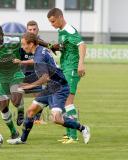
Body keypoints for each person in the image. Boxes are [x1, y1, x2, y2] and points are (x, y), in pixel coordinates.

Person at [6, 32, 90, 145]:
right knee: (31, 111)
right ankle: (22, 140)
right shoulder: (39, 49)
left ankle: (83, 128)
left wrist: (27, 87)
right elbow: (37, 61)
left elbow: (45, 78)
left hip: (59, 87)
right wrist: (22, 61)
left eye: (24, 44)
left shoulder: (39, 55)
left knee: (56, 119)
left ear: (31, 44)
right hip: (51, 87)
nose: (22, 46)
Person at [0, 20, 56, 125]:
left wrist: (52, 47)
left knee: (43, 91)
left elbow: (44, 59)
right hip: (21, 74)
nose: (32, 31)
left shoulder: (40, 45)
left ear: (38, 30)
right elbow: (12, 58)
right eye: (30, 29)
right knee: (4, 95)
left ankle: (35, 118)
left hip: (34, 74)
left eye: (34, 29)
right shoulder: (22, 43)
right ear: (26, 31)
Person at [47, 8, 87, 144]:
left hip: (72, 69)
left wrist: (81, 64)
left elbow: (82, 45)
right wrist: (56, 47)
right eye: (50, 22)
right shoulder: (61, 31)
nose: (52, 24)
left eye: (53, 21)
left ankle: (74, 136)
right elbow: (66, 46)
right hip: (64, 68)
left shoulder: (69, 29)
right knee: (64, 102)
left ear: (60, 17)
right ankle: (70, 133)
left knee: (68, 102)